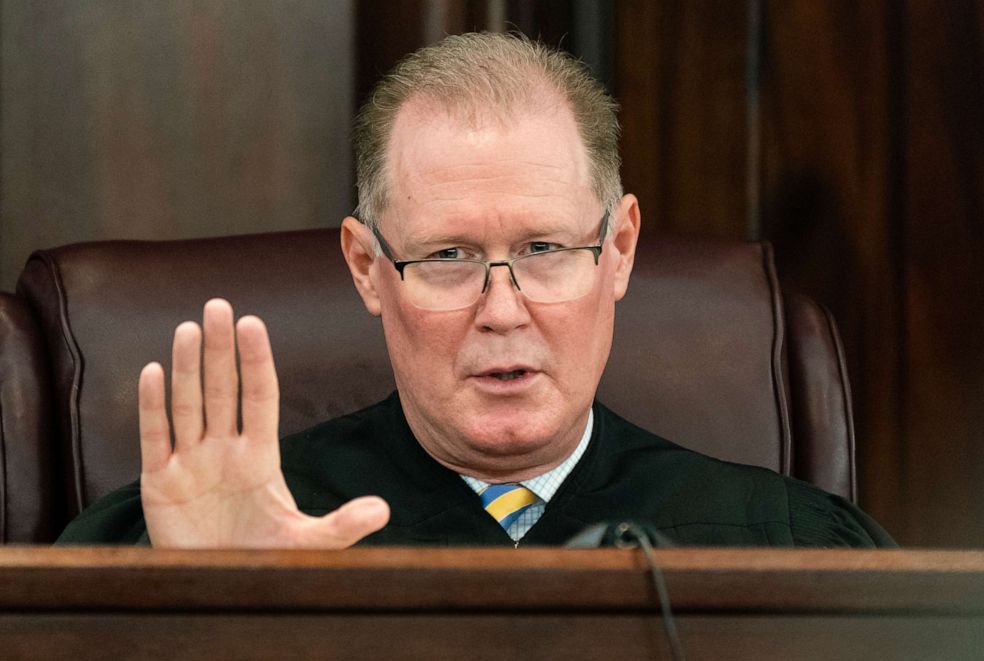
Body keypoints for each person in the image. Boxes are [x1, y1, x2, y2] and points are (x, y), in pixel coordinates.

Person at [57, 32, 894, 549]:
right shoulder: (221, 536)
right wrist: (198, 618)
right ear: (365, 267)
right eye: (449, 255)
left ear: (620, 249)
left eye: (543, 248)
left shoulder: (786, 544)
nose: (502, 310)